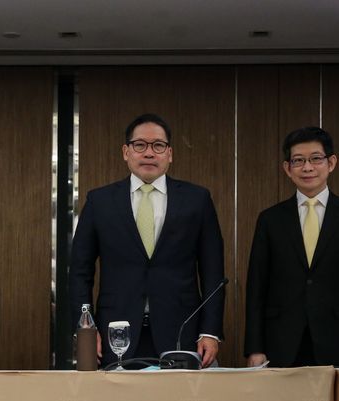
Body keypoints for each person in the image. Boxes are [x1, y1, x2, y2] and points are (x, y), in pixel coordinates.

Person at [69, 114, 225, 368]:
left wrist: (210, 331)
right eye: (140, 145)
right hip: (116, 334)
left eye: (158, 146)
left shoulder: (197, 200)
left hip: (182, 332)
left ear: (170, 153)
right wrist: (86, 328)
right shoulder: (100, 201)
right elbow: (79, 272)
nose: (149, 153)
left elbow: (213, 272)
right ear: (126, 152)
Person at [245, 127, 339, 367]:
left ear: (331, 162)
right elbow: (256, 288)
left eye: (316, 159)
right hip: (281, 341)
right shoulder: (270, 219)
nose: (307, 168)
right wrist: (255, 348)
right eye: (298, 161)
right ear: (287, 168)